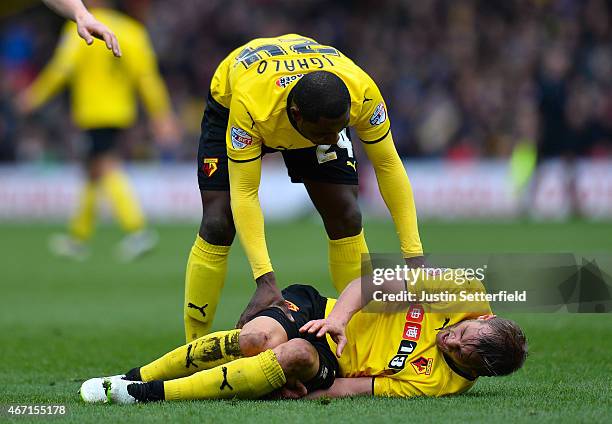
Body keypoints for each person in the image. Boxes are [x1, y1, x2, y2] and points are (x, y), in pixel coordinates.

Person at [185, 34, 424, 342]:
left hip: (305, 102)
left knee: (346, 214)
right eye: (326, 132)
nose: (333, 137)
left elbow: (388, 165)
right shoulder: (252, 105)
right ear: (297, 117)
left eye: (340, 129)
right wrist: (265, 280)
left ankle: (363, 336)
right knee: (218, 222)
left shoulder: (361, 94)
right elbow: (245, 192)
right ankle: (193, 342)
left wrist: (414, 257)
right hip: (234, 101)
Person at [79, 270, 527, 402]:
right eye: (461, 332)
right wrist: (342, 320)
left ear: (476, 373)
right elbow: (372, 283)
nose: (448, 340)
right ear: (484, 319)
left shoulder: (440, 384)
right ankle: (131, 375)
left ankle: (145, 394)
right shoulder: (462, 289)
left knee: (290, 355)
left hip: (331, 361)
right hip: (324, 311)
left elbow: (359, 386)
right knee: (256, 340)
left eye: (459, 354)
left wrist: (302, 396)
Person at [17, 0, 179, 261]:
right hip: (120, 111)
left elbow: (61, 70)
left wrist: (32, 98)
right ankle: (78, 237)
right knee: (93, 170)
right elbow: (148, 79)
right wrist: (161, 115)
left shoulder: (79, 28)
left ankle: (138, 229)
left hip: (93, 112)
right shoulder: (132, 31)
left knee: (104, 165)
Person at [42, 0, 121, 57]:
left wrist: (82, 15)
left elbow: (62, 69)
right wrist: (82, 15)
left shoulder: (75, 30)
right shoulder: (128, 28)